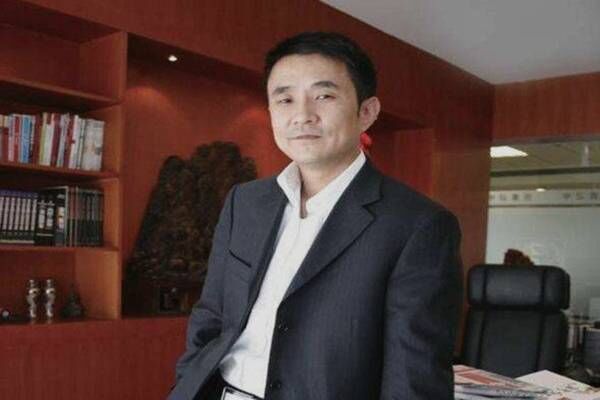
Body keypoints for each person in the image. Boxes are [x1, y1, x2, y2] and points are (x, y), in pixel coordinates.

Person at [169, 31, 462, 400]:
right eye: (285, 99)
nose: (302, 115)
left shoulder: (419, 225)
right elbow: (211, 315)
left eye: (324, 96)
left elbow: (414, 379)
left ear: (367, 112)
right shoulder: (244, 202)